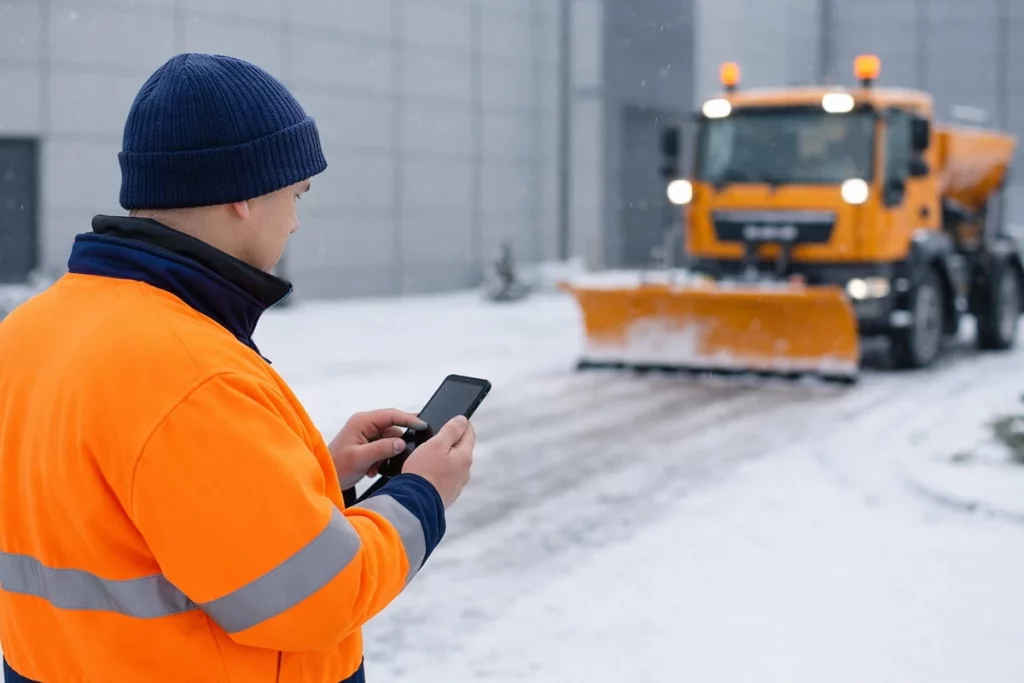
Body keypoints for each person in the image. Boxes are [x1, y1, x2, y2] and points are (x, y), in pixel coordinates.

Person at [0, 53, 475, 683]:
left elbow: (117, 522)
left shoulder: (30, 331)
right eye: (295, 194)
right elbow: (317, 596)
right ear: (244, 193)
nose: (296, 221)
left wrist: (315, 476)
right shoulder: (190, 372)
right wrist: (422, 494)